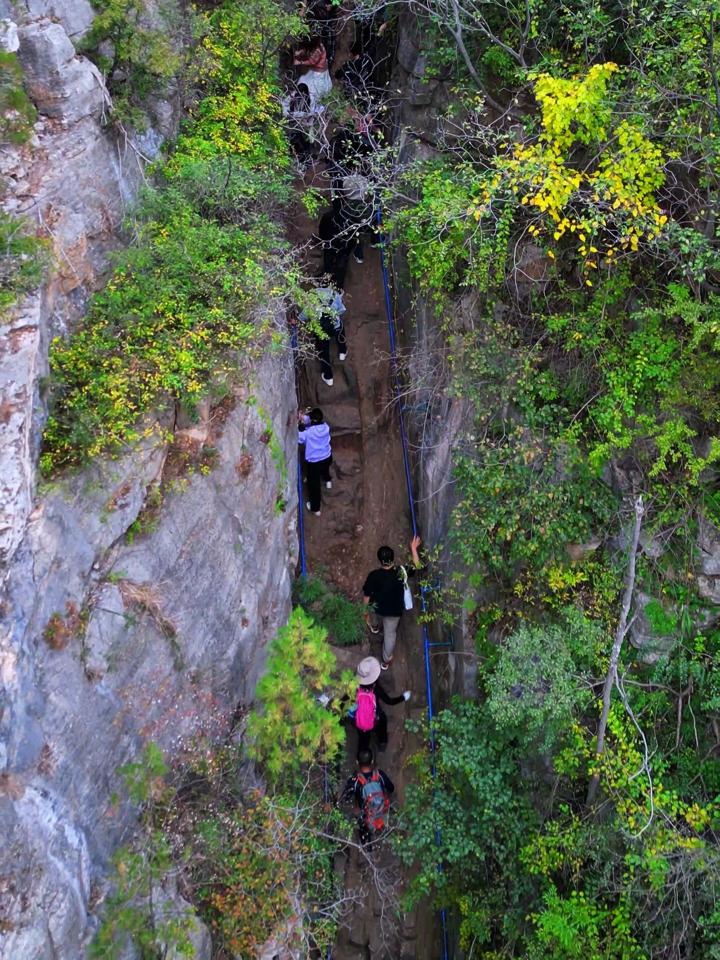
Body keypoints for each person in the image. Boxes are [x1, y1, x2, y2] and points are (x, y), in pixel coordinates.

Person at [362, 536, 423, 670]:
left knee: (375, 619)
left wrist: (365, 611)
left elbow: (367, 595)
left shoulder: (374, 576)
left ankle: (375, 628)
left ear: (380, 561)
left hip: (377, 608)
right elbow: (417, 566)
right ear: (393, 558)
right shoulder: (401, 571)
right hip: (393, 612)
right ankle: (385, 660)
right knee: (390, 635)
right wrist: (413, 548)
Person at [350, 656, 411, 752]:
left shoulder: (353, 687)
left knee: (363, 738)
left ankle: (362, 756)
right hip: (375, 719)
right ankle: (382, 743)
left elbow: (343, 701)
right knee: (382, 721)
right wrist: (403, 697)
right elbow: (389, 701)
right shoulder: (375, 689)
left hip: (358, 720)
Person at [341, 748, 394, 844]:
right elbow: (391, 788)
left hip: (365, 815)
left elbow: (346, 797)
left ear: (357, 762)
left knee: (363, 827)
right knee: (380, 818)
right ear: (372, 761)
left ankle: (366, 845)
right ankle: (381, 833)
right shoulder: (380, 775)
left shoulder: (355, 780)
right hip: (381, 810)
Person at [299, 283, 347, 386]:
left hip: (321, 330)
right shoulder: (334, 295)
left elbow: (303, 317)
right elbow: (342, 310)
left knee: (324, 352)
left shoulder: (312, 299)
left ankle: (329, 377)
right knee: (340, 328)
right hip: (334, 327)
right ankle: (342, 352)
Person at [298, 407, 332, 516]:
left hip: (315, 462)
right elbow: (312, 421)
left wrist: (297, 425)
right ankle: (328, 482)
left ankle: (315, 508)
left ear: (312, 421)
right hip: (327, 456)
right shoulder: (326, 427)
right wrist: (302, 417)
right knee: (325, 470)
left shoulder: (308, 433)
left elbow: (299, 437)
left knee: (314, 486)